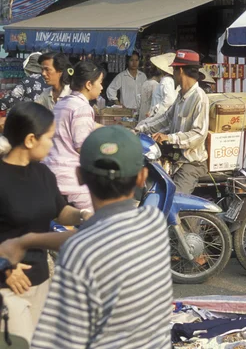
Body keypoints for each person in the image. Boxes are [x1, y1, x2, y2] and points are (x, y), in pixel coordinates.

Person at [29, 125, 173, 347]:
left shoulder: (80, 253)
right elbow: (100, 242)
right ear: (142, 177)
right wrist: (27, 241)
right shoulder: (153, 223)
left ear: (79, 176)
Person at [0, 102, 93, 344]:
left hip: (41, 281)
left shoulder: (43, 174)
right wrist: (3, 267)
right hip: (6, 289)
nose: (52, 145)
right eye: (50, 138)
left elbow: (60, 211)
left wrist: (84, 216)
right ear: (31, 139)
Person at [136, 49, 210, 194]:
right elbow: (165, 118)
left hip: (191, 163)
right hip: (175, 159)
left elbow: (198, 134)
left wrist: (169, 138)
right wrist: (141, 129)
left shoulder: (199, 97)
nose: (172, 74)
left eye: (174, 70)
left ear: (180, 70)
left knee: (175, 201)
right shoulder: (180, 95)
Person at [44, 61, 104, 210]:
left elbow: (77, 126)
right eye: (100, 82)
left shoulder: (63, 103)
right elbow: (81, 146)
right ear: (89, 84)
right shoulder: (82, 107)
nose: (102, 87)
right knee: (99, 215)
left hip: (49, 171)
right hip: (70, 178)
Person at [148, 52, 178, 118]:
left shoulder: (166, 80)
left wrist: (155, 110)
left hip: (159, 117)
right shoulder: (172, 80)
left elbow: (169, 101)